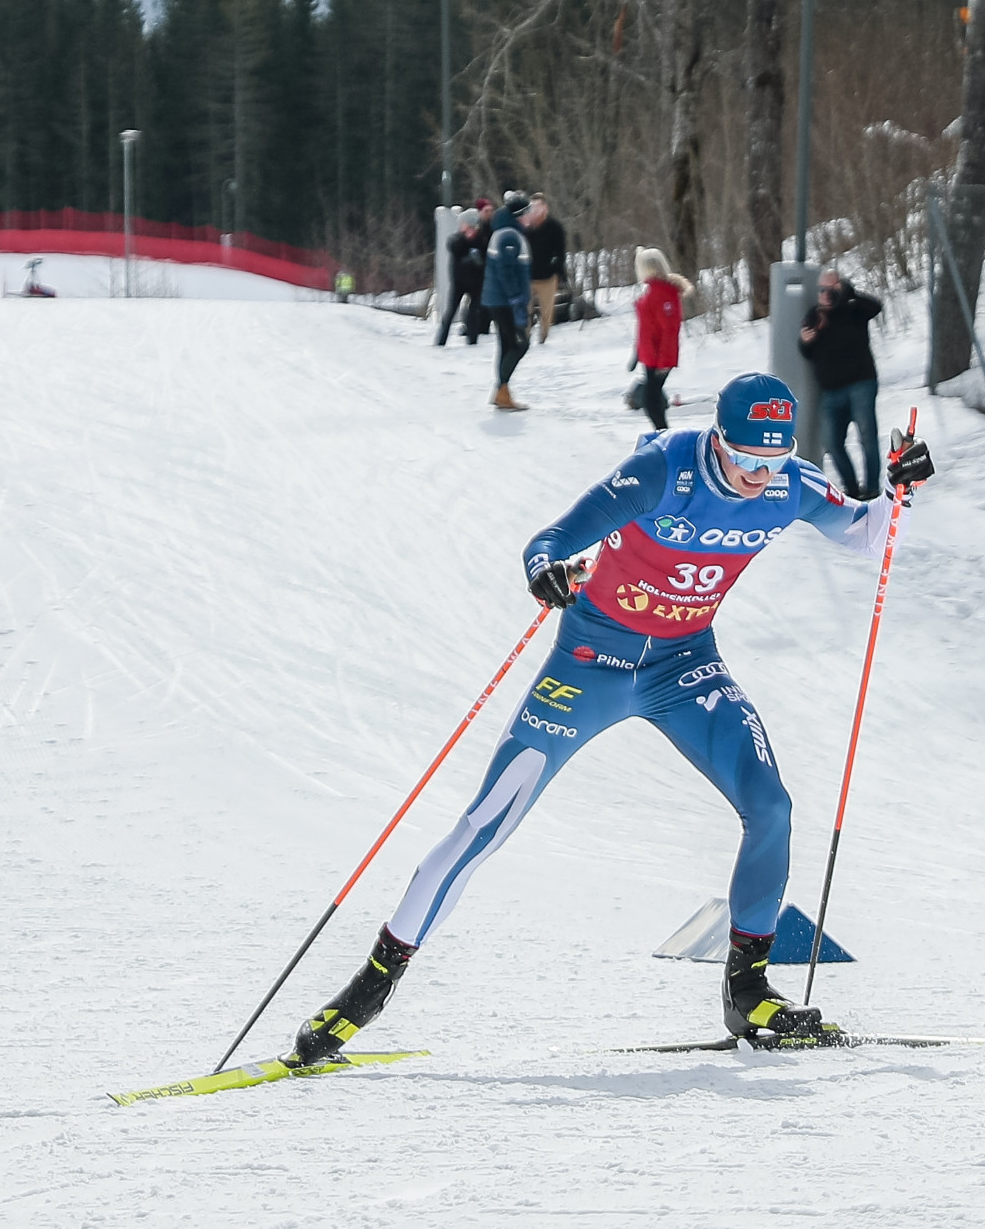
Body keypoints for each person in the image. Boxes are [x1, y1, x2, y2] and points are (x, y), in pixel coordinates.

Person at [280, 374, 937, 1067]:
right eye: (746, 458)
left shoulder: (787, 486)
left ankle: (749, 991)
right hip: (589, 664)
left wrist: (904, 489)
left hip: (684, 666)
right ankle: (367, 991)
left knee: (771, 805)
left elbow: (870, 534)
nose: (757, 476)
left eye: (772, 462)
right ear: (718, 439)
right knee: (485, 824)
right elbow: (555, 537)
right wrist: (546, 570)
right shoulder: (665, 468)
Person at [799, 269, 884, 498]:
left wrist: (847, 292)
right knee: (831, 442)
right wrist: (806, 342)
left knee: (867, 437)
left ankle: (873, 488)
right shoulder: (815, 315)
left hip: (860, 383)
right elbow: (807, 352)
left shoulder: (854, 308)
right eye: (820, 290)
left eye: (829, 289)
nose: (824, 294)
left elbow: (876, 306)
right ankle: (852, 487)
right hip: (830, 390)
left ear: (839, 287)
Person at [481, 191, 534, 411]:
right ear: (520, 214)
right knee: (518, 344)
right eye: (528, 212)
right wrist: (517, 300)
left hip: (498, 299)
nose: (530, 216)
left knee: (506, 345)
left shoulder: (505, 231)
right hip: (504, 301)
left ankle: (502, 392)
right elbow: (507, 272)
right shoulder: (510, 236)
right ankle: (501, 388)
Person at [631, 246, 692, 432]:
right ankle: (663, 435)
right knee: (653, 401)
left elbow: (669, 330)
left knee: (651, 402)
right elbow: (647, 328)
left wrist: (664, 361)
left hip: (658, 358)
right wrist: (637, 354)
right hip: (651, 356)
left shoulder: (663, 294)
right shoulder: (654, 291)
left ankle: (664, 437)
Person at [435, 208, 484, 347]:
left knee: (474, 312)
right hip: (459, 282)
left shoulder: (481, 239)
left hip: (476, 283)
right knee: (450, 312)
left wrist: (479, 261)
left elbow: (485, 257)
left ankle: (472, 340)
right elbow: (452, 245)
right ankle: (441, 341)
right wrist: (468, 259)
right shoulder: (458, 239)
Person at [525, 194, 570, 344]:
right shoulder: (526, 228)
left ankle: (543, 336)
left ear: (545, 207)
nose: (535, 210)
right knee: (525, 309)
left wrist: (557, 269)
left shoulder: (555, 227)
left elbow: (561, 251)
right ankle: (525, 335)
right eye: (532, 207)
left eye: (538, 206)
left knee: (547, 311)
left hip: (548, 277)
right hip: (528, 277)